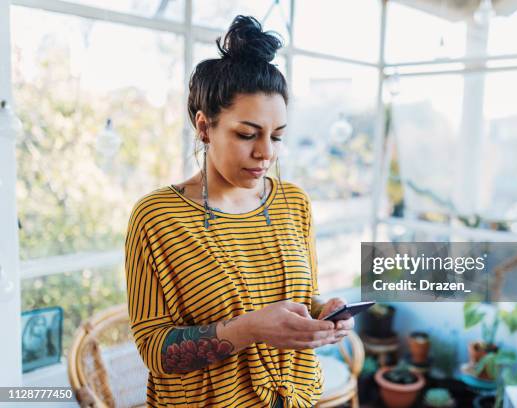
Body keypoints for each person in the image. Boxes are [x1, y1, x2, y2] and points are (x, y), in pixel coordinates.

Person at [125, 15, 354, 408]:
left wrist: (325, 312)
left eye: (277, 136)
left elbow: (305, 295)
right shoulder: (158, 217)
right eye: (248, 134)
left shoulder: (293, 202)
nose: (266, 152)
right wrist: (250, 329)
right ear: (204, 127)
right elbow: (154, 350)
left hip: (297, 398)